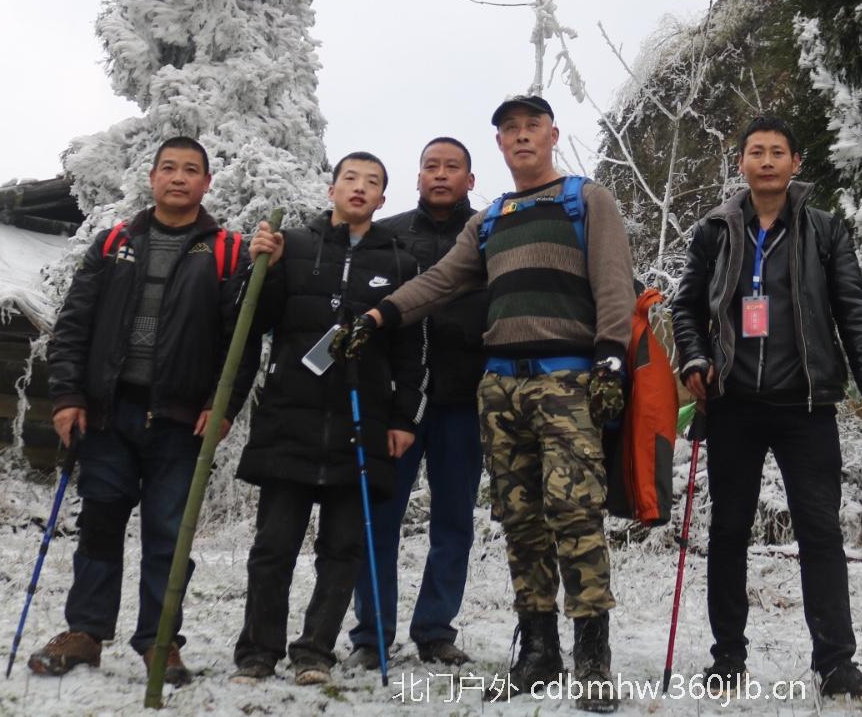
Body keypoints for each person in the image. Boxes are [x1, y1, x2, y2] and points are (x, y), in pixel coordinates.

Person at [359, 95, 635, 713]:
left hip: (567, 381)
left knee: (575, 514)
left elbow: (615, 281)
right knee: (520, 521)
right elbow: (441, 281)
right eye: (510, 129)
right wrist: (380, 315)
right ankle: (538, 652)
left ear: (553, 135)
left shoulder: (587, 200)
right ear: (500, 145)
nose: (521, 136)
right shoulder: (490, 220)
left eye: (533, 126)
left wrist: (612, 355)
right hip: (499, 387)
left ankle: (593, 660)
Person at [670, 115, 862, 700]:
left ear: (796, 163)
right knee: (728, 532)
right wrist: (694, 359)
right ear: (741, 163)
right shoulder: (715, 231)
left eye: (778, 152)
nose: (767, 161)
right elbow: (686, 307)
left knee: (820, 533)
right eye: (756, 151)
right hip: (733, 406)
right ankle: (727, 659)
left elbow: (852, 308)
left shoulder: (824, 230)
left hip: (807, 407)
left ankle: (836, 665)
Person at [30, 137, 247, 686]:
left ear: (206, 183)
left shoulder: (227, 252)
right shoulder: (113, 244)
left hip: (181, 423)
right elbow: (73, 326)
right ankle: (85, 633)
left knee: (169, 537)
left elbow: (240, 342)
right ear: (151, 178)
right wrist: (67, 397)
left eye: (191, 170)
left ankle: (159, 642)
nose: (179, 177)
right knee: (99, 525)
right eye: (168, 168)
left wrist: (221, 407)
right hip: (109, 416)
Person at [229, 152, 425, 686]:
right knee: (273, 547)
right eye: (350, 178)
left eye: (372, 182)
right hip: (289, 417)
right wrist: (260, 266)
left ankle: (314, 651)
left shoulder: (402, 263)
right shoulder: (290, 244)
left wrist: (404, 418)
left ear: (383, 198)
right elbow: (250, 318)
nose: (360, 188)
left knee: (342, 550)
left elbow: (412, 351)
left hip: (361, 424)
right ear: (332, 188)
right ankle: (257, 652)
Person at [349, 138, 488, 669]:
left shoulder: (489, 234)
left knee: (453, 523)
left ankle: (435, 630)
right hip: (397, 405)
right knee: (378, 518)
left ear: (470, 180)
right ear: (418, 177)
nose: (441, 174)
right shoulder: (388, 234)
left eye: (452, 167)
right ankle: (371, 635)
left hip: (463, 403)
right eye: (432, 166)